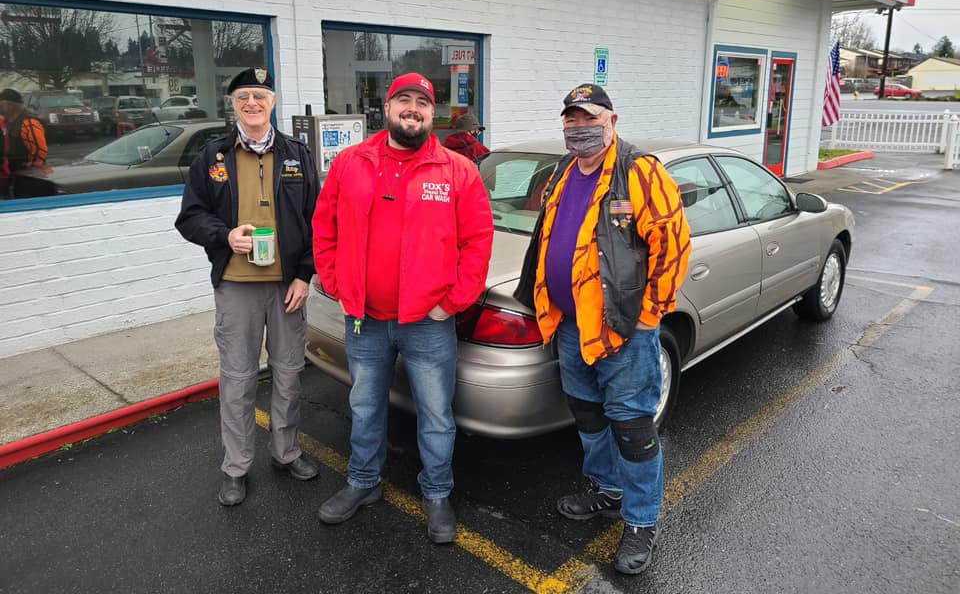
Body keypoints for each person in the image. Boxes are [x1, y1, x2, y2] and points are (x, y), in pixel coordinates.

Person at [514, 83, 691, 575]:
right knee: (588, 414)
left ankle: (641, 520)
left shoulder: (640, 172)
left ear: (612, 121)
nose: (579, 128)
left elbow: (673, 247)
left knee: (632, 427)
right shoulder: (562, 171)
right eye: (571, 120)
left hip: (624, 329)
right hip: (571, 324)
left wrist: (649, 316)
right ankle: (608, 490)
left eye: (590, 119)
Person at [312, 72, 493, 544]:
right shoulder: (351, 162)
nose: (413, 109)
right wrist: (336, 284)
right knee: (365, 405)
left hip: (428, 323)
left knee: (435, 414)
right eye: (404, 100)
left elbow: (478, 242)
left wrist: (453, 302)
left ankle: (437, 492)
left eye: (422, 103)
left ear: (432, 114)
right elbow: (325, 227)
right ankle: (362, 481)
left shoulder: (458, 171)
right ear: (388, 108)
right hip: (365, 319)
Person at [175, 68, 321, 506]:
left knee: (289, 373)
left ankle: (286, 452)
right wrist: (224, 236)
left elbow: (317, 219)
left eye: (260, 95)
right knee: (238, 378)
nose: (252, 103)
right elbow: (189, 217)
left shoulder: (297, 154)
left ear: (272, 102)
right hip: (236, 286)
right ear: (234, 105)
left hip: (287, 287)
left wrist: (305, 274)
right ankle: (236, 467)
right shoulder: (213, 157)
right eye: (243, 97)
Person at [0, 88, 48, 197]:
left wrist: (33, 170)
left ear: (10, 105)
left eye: (1, 105)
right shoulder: (7, 121)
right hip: (14, 174)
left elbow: (39, 150)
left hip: (28, 176)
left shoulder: (29, 122)